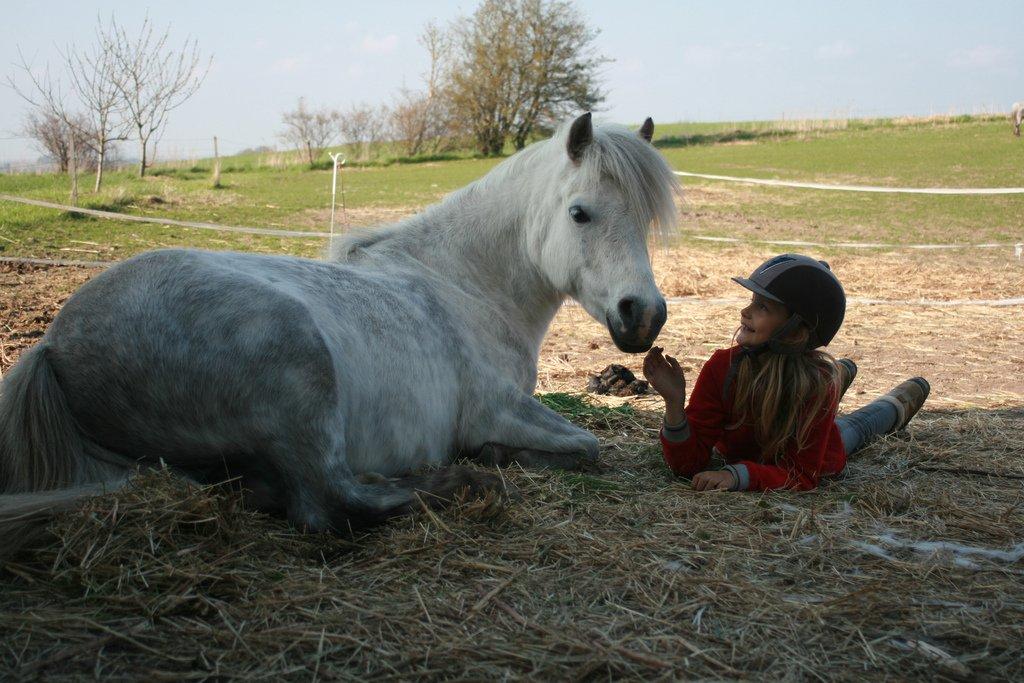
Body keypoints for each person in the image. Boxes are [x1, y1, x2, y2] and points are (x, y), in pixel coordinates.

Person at [642, 254, 929, 492]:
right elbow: (686, 466)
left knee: (853, 429)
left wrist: (737, 475)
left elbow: (801, 475)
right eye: (752, 300)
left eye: (762, 306)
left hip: (818, 416)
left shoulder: (815, 386)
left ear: (796, 332)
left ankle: (896, 403)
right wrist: (674, 405)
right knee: (823, 384)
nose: (745, 311)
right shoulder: (722, 367)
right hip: (807, 380)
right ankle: (841, 372)